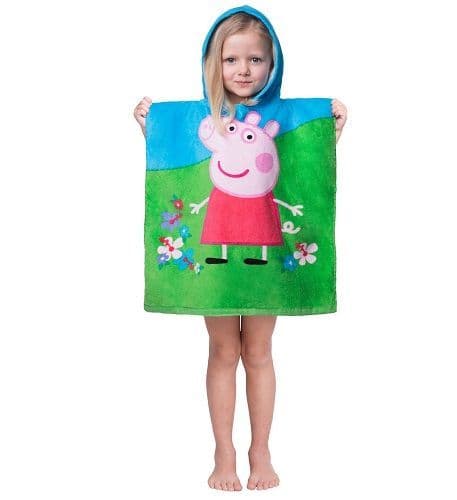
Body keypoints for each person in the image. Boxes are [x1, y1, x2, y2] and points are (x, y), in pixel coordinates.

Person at [134, 6, 347, 492]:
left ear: (273, 64)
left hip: (263, 256)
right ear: (214, 63)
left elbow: (304, 166)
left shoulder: (286, 118)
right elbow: (178, 158)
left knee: (258, 350)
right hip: (218, 263)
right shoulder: (202, 119)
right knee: (223, 349)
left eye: (256, 59)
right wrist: (153, 126)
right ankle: (224, 451)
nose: (244, 70)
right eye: (232, 59)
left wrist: (329, 130)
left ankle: (261, 450)